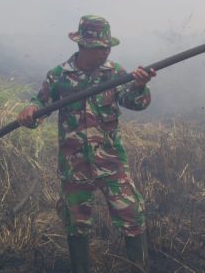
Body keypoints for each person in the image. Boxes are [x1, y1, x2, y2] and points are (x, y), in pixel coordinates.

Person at [17, 15, 156, 273]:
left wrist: (139, 86)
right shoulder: (59, 76)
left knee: (132, 217)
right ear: (82, 45)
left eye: (107, 46)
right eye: (100, 47)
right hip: (75, 166)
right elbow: (40, 105)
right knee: (76, 224)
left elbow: (135, 103)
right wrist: (30, 110)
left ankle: (139, 267)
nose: (105, 51)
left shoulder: (114, 73)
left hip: (111, 162)